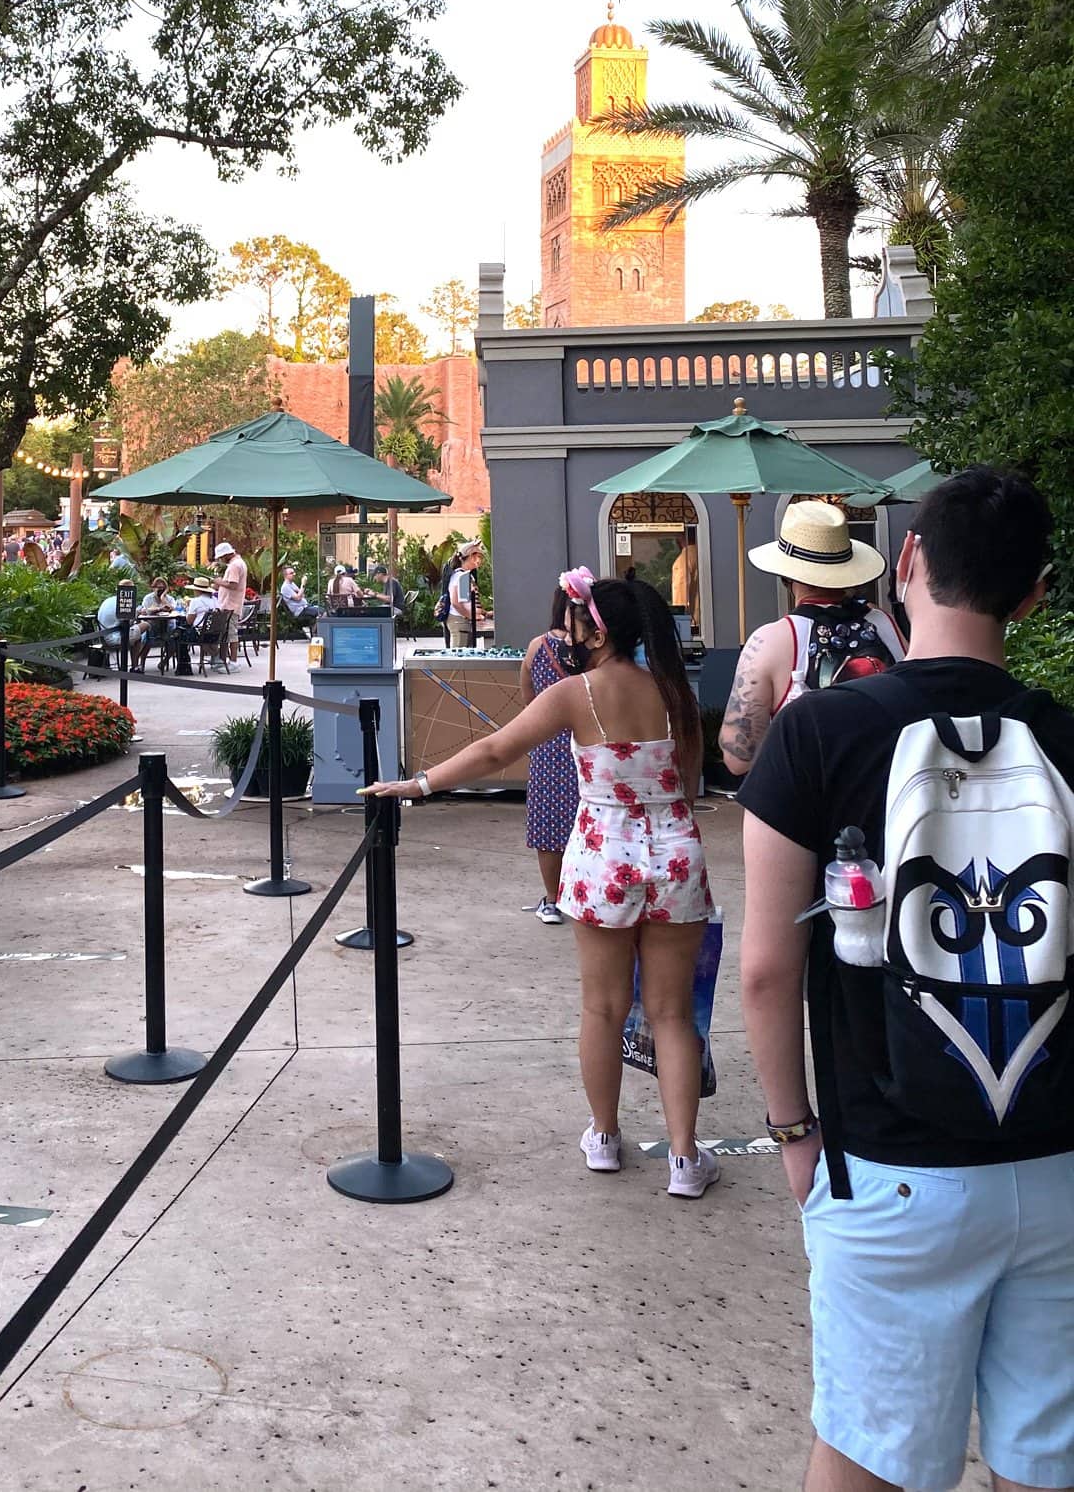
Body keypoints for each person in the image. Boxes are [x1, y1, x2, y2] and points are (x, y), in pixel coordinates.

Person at [738, 469, 1074, 1492]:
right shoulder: (1061, 737)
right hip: (1058, 1158)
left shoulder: (820, 733)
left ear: (909, 561)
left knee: (868, 1461)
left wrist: (795, 1135)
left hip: (885, 1165)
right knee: (1044, 1458)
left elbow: (763, 968)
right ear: (1035, 593)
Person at [368, 570, 717, 1197]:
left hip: (605, 858)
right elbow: (689, 782)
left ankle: (605, 1138)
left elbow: (494, 752)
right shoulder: (675, 694)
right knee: (670, 1013)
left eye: (579, 621)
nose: (571, 629)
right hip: (676, 857)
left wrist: (417, 784)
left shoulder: (576, 693)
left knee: (603, 1008)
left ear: (597, 629)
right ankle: (686, 1159)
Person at [720, 500, 906, 777]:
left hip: (812, 807)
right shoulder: (885, 624)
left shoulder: (770, 641)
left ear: (786, 573)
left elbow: (738, 759)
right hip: (890, 803)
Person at [519, 584, 576, 925]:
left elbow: (528, 696)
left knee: (549, 827)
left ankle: (552, 900)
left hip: (548, 745)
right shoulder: (593, 650)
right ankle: (583, 895)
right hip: (588, 742)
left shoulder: (537, 647)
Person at [213, 540, 247, 670]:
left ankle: (233, 662)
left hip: (230, 605)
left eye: (221, 557)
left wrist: (219, 582)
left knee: (231, 634)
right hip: (231, 604)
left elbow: (233, 584)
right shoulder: (239, 563)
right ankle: (225, 660)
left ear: (226, 554)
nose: (221, 560)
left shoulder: (234, 566)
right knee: (228, 633)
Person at [447, 540, 482, 648]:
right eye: (478, 556)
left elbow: (467, 601)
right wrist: (471, 616)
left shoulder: (465, 576)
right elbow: (456, 602)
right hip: (461, 622)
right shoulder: (462, 577)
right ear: (471, 557)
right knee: (459, 659)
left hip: (463, 622)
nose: (480, 560)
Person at [278, 565, 321, 635]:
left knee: (322, 610)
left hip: (305, 608)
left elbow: (302, 595)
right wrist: (303, 584)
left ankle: (315, 633)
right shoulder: (285, 587)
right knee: (321, 612)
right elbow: (298, 597)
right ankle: (315, 634)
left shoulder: (292, 584)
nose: (294, 574)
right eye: (291, 573)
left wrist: (300, 591)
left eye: (294, 572)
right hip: (300, 612)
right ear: (286, 576)